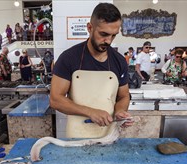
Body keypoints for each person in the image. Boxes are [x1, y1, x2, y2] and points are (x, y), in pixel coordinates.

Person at [50, 3, 133, 138]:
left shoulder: (119, 61)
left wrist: (120, 111)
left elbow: (124, 96)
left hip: (108, 134)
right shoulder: (69, 58)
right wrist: (90, 112)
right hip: (77, 133)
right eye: (104, 34)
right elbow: (55, 99)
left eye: (113, 35)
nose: (108, 41)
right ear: (90, 28)